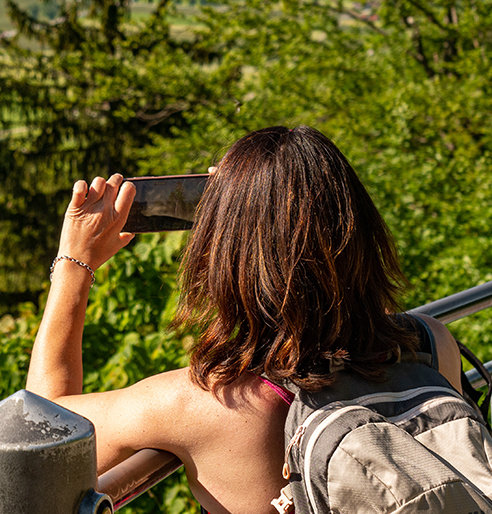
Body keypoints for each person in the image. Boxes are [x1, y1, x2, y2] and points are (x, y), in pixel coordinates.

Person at [25, 125, 463, 514]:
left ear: (229, 252)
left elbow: (37, 434)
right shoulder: (429, 342)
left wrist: (73, 265)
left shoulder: (207, 403)